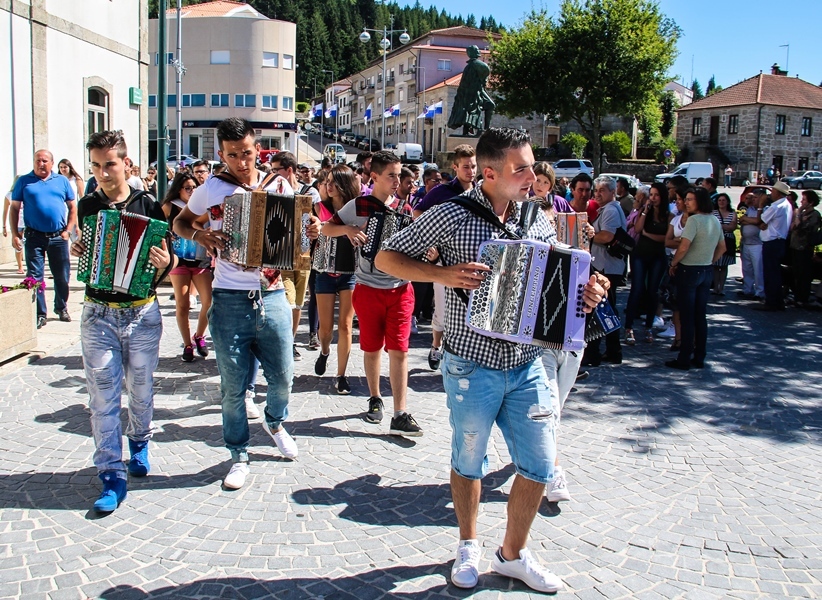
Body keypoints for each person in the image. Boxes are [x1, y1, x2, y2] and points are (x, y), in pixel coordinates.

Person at [375, 127, 606, 593]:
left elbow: (557, 274)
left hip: (529, 363)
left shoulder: (535, 217)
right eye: (520, 168)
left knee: (540, 466)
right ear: (489, 173)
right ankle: (468, 543)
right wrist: (440, 273)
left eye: (530, 165)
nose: (531, 175)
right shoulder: (450, 215)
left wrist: (588, 291)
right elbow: (386, 258)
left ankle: (512, 555)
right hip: (470, 363)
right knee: (469, 459)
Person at [173, 117, 320, 490]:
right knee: (233, 386)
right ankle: (238, 454)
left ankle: (274, 420)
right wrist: (200, 234)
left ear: (258, 150)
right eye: (234, 155)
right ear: (221, 155)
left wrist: (312, 228)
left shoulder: (280, 184)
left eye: (248, 153)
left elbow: (302, 232)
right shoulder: (212, 188)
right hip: (229, 295)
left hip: (271, 291)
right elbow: (181, 222)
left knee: (284, 375)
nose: (242, 161)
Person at [70, 130, 173, 513]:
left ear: (126, 163)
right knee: (102, 397)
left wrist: (168, 264)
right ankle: (111, 474)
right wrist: (79, 248)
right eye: (95, 165)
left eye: (109, 164)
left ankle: (141, 441)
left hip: (142, 312)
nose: (102, 173)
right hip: (98, 311)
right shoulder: (88, 205)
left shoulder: (147, 204)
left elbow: (168, 258)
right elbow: (89, 253)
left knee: (141, 390)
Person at [321, 151, 422, 437]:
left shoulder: (405, 207)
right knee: (371, 347)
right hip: (367, 288)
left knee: (400, 350)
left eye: (399, 174)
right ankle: (375, 397)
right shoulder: (359, 205)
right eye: (391, 175)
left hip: (401, 288)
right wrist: (348, 229)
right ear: (374, 177)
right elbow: (328, 228)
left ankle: (400, 412)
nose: (397, 180)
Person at [413, 145, 479, 368]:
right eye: (465, 167)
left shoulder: (481, 191)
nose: (470, 171)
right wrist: (432, 240)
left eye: (473, 166)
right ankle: (436, 346)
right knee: (442, 305)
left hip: (471, 257)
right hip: (443, 258)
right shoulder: (442, 192)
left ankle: (466, 351)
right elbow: (418, 212)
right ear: (455, 167)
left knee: (471, 307)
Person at [9, 149, 77, 328]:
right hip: (34, 236)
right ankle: (40, 313)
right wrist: (15, 233)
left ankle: (61, 307)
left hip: (58, 237)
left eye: (44, 161)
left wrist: (68, 230)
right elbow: (14, 208)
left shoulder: (61, 181)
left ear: (51, 163)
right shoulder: (24, 181)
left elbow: (72, 207)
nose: (41, 164)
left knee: (62, 275)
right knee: (35, 276)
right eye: (37, 160)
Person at [666, 187, 725, 370]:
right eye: (687, 199)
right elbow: (722, 247)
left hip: (689, 271)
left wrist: (674, 264)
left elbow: (683, 247)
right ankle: (699, 356)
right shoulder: (714, 220)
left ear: (700, 201)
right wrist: (709, 261)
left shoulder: (694, 220)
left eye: (690, 199)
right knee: (700, 316)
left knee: (687, 316)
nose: (687, 202)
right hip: (706, 271)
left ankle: (684, 358)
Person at [313, 165, 359, 394]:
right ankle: (324, 351)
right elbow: (319, 231)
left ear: (345, 184)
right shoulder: (319, 208)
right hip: (323, 272)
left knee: (346, 326)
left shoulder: (357, 209)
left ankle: (341, 375)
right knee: (326, 329)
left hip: (350, 273)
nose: (328, 186)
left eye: (333, 182)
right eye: (327, 181)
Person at [161, 172, 212, 362]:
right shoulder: (170, 206)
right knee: (182, 304)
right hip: (178, 260)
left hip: (200, 259)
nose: (191, 191)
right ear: (179, 190)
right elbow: (157, 224)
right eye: (187, 188)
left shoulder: (201, 205)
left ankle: (199, 336)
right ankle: (188, 345)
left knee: (209, 302)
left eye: (194, 187)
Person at [270, 151, 315, 360]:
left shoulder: (310, 192)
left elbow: (318, 218)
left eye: (275, 170)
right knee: (287, 300)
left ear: (289, 170)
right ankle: (283, 342)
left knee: (297, 302)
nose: (271, 174)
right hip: (281, 253)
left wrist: (316, 225)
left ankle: (290, 341)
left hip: (303, 253)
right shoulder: (273, 191)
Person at [582, 176, 626, 367]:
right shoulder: (607, 209)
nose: (597, 194)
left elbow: (607, 236)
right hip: (606, 266)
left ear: (612, 192)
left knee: (604, 310)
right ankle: (609, 350)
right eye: (597, 190)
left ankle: (603, 351)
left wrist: (589, 234)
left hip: (608, 267)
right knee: (607, 309)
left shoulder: (611, 210)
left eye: (602, 190)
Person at [624, 182, 669, 345]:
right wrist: (645, 211)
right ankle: (628, 328)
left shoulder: (667, 215)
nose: (654, 198)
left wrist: (648, 234)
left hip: (658, 256)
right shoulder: (645, 211)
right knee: (636, 289)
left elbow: (666, 239)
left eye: (657, 195)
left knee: (653, 292)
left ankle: (649, 326)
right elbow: (637, 229)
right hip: (640, 254)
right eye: (652, 195)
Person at [756, 181, 793, 311]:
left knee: (770, 273)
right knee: (775, 273)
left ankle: (772, 301)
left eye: (773, 191)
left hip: (772, 242)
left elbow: (761, 219)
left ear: (777, 193)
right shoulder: (786, 205)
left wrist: (760, 205)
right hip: (779, 241)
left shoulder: (776, 206)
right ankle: (777, 300)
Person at [663, 186, 689, 350]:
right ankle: (678, 338)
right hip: (674, 261)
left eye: (680, 199)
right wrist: (684, 242)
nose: (678, 203)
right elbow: (668, 241)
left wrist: (682, 242)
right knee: (675, 304)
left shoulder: (696, 221)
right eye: (677, 199)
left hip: (689, 263)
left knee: (687, 305)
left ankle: (688, 340)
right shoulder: (675, 220)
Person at [447, 45, 495, 136]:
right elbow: (486, 69)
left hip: (476, 91)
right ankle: (483, 129)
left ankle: (482, 129)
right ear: (472, 53)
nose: (478, 51)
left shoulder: (471, 66)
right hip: (473, 93)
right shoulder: (474, 65)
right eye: (476, 50)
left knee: (486, 106)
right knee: (485, 106)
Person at [789, 190, 821, 308]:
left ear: (811, 202)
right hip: (795, 246)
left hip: (805, 247)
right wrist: (799, 217)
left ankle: (803, 298)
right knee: (796, 272)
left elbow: (803, 228)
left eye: (804, 200)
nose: (801, 202)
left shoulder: (814, 215)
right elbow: (793, 226)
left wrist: (799, 218)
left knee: (804, 274)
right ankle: (796, 295)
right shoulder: (801, 214)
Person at [737, 189, 765, 300]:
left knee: (758, 269)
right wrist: (748, 220)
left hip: (757, 244)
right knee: (746, 268)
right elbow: (742, 220)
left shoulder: (764, 209)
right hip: (746, 243)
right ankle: (747, 289)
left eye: (755, 198)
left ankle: (760, 291)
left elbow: (759, 221)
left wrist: (747, 219)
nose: (753, 200)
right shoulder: (750, 209)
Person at [711, 193, 737, 295]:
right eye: (719, 200)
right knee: (716, 265)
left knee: (724, 265)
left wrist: (720, 225)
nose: (721, 202)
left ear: (727, 202)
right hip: (716, 240)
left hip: (728, 241)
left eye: (723, 200)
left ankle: (721, 288)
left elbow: (732, 227)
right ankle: (715, 287)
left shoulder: (732, 213)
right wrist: (725, 226)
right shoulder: (713, 213)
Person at [3, 183, 25, 273]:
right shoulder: (9, 195)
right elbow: (5, 211)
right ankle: (20, 267)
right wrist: (4, 226)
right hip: (17, 224)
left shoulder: (27, 193)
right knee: (18, 246)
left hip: (28, 223)